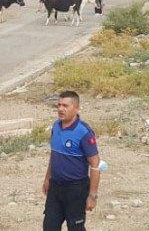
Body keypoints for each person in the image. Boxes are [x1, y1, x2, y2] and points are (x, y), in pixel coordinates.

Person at [43, 90, 101, 230]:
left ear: (76, 108)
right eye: (59, 105)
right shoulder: (56, 126)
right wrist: (47, 179)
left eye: (65, 106)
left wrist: (92, 195)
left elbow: (95, 164)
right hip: (55, 187)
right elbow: (54, 155)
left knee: (75, 227)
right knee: (49, 226)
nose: (61, 109)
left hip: (76, 189)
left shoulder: (84, 132)